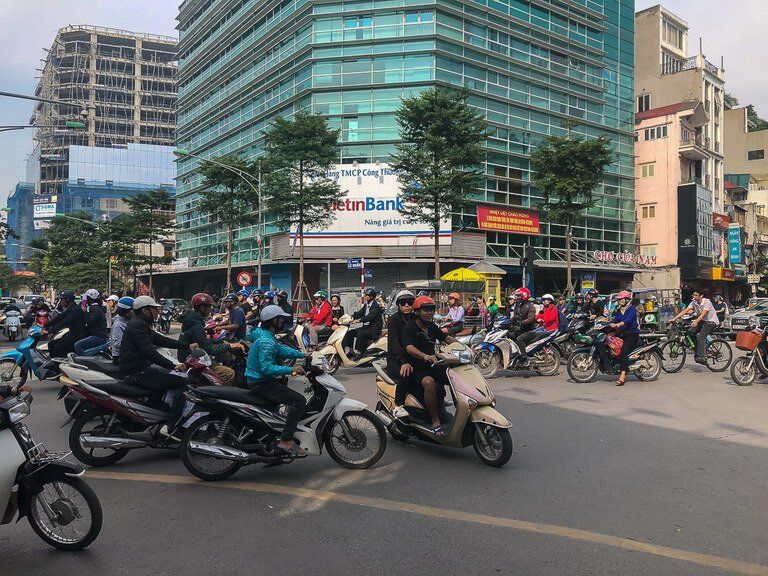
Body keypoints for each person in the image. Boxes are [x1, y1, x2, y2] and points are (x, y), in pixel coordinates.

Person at [118, 296, 193, 436]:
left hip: (138, 369)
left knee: (163, 382)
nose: (158, 311)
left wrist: (187, 345)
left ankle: (154, 418)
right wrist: (173, 366)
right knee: (183, 383)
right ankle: (172, 427)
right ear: (145, 310)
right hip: (137, 371)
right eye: (155, 309)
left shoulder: (140, 324)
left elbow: (162, 340)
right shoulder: (139, 325)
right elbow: (150, 352)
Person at [245, 304, 308, 455]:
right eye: (280, 319)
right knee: (299, 401)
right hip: (261, 383)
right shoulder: (266, 342)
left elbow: (281, 350)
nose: (282, 322)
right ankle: (286, 440)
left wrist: (304, 355)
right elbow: (267, 368)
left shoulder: (267, 337)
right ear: (274, 321)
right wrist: (291, 369)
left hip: (261, 380)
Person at [402, 295, 457, 435]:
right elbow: (409, 348)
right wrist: (425, 356)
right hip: (416, 367)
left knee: (455, 376)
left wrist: (465, 347)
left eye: (431, 309)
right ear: (417, 312)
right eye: (425, 310)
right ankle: (435, 421)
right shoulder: (410, 328)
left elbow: (446, 338)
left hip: (433, 365)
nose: (429, 313)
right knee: (429, 382)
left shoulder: (432, 326)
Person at [178, 293, 240, 386]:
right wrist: (228, 345)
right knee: (229, 373)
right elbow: (208, 348)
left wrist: (220, 341)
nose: (211, 309)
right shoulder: (196, 325)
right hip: (194, 362)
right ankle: (217, 397)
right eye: (209, 307)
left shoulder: (191, 320)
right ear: (203, 308)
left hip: (188, 357)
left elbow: (202, 341)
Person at [385, 290, 415, 417]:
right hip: (396, 359)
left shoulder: (416, 318)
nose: (407, 305)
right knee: (406, 373)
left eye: (410, 302)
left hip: (413, 356)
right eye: (403, 303)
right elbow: (394, 342)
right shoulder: (394, 320)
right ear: (398, 305)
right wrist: (403, 362)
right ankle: (398, 405)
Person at [670, 290, 720, 364]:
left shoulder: (707, 302)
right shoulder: (694, 302)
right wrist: (675, 318)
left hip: (711, 321)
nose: (694, 296)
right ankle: (697, 350)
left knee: (701, 337)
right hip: (702, 321)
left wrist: (696, 321)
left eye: (696, 295)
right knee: (689, 333)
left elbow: (703, 314)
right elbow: (685, 310)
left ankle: (703, 357)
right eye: (693, 295)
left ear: (701, 296)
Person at [45, 290, 87, 358]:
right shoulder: (70, 309)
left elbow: (64, 322)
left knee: (57, 348)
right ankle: (53, 364)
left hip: (78, 336)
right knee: (51, 344)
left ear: (67, 300)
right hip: (72, 334)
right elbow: (59, 318)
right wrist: (45, 325)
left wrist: (49, 331)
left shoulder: (76, 310)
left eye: (62, 299)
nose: (60, 301)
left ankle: (58, 366)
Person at [610, 290, 640, 386]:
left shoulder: (631, 310)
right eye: (618, 299)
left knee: (623, 352)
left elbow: (627, 320)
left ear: (627, 300)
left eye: (620, 299)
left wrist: (618, 324)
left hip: (632, 335)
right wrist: (605, 321)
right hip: (622, 333)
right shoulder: (620, 310)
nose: (619, 301)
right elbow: (614, 319)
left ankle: (623, 376)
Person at [343, 287, 383, 358]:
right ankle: (351, 351)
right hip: (366, 327)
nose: (364, 297)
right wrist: (350, 317)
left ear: (371, 297)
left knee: (361, 334)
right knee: (350, 333)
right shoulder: (367, 305)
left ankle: (359, 352)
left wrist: (359, 320)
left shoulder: (375, 306)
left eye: (366, 295)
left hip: (373, 329)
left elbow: (370, 317)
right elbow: (359, 313)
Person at [507, 287, 537, 365]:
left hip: (529, 330)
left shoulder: (531, 307)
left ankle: (524, 358)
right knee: (509, 335)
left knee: (519, 339)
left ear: (524, 296)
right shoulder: (518, 306)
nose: (517, 298)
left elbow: (530, 319)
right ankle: (515, 356)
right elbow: (515, 316)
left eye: (519, 296)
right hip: (521, 328)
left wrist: (521, 322)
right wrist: (508, 322)